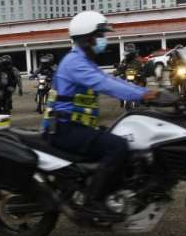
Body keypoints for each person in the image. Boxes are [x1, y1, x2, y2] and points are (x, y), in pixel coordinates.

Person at [44, 11, 159, 222]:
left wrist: (146, 91)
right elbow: (106, 85)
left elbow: (110, 79)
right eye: (100, 35)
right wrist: (144, 94)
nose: (104, 40)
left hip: (76, 126)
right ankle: (91, 202)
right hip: (65, 128)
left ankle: (112, 191)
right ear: (87, 38)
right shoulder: (74, 62)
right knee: (118, 147)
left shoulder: (84, 61)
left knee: (124, 138)